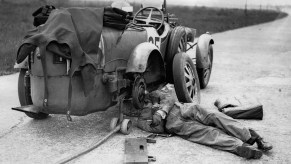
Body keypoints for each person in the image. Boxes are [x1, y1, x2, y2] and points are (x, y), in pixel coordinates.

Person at [137, 85, 273, 159]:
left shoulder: (154, 92)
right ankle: (240, 147)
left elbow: (171, 94)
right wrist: (154, 113)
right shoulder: (139, 118)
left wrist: (162, 111)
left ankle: (251, 137)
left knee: (215, 116)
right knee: (210, 134)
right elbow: (157, 129)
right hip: (176, 126)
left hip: (184, 109)